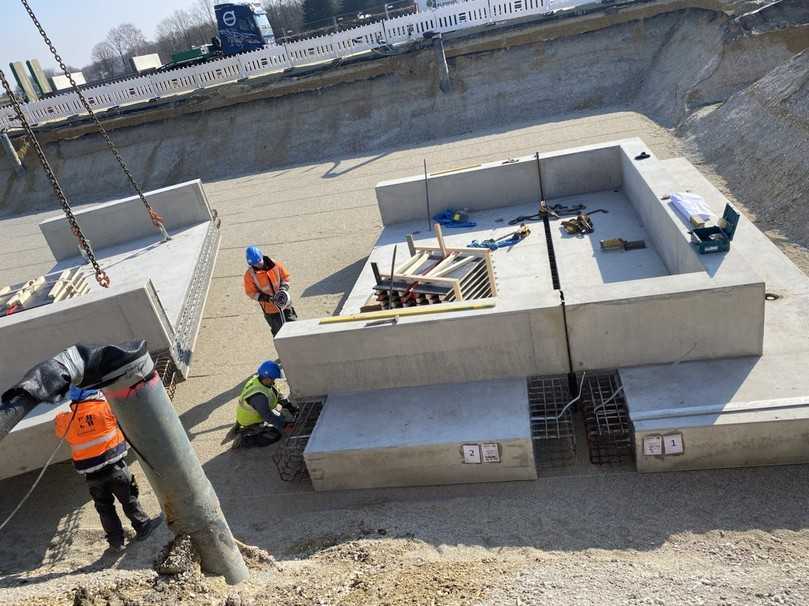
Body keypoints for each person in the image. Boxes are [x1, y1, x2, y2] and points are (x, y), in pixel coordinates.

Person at [54, 386, 162, 552]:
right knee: (129, 499)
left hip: (92, 476)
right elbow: (124, 414)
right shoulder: (106, 407)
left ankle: (116, 541)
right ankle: (143, 526)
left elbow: (59, 426)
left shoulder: (66, 420)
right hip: (116, 468)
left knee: (104, 508)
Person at [232, 361, 299, 449]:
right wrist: (284, 425)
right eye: (273, 379)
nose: (274, 381)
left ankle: (245, 427)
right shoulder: (259, 396)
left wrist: (289, 406)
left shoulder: (261, 381)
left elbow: (276, 394)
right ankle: (244, 439)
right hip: (250, 421)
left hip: (255, 414)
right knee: (274, 435)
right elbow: (267, 415)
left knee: (282, 418)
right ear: (267, 378)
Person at [243, 245, 297, 337]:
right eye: (255, 264)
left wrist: (283, 289)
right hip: (271, 310)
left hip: (285, 304)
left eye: (259, 261)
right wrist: (267, 298)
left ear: (261, 256)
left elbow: (285, 277)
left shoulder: (275, 265)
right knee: (279, 334)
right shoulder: (250, 275)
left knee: (294, 327)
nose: (258, 265)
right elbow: (251, 292)